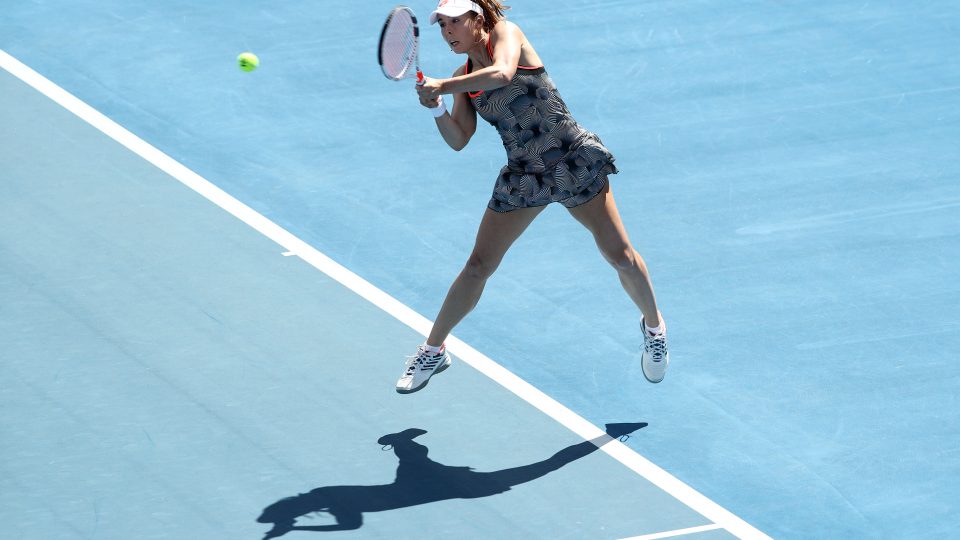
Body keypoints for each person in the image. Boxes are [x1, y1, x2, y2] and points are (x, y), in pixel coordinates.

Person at [395, 0, 669, 394]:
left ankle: (654, 328)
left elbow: (502, 73)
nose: (448, 31)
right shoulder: (462, 77)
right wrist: (436, 105)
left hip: (571, 160)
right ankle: (433, 350)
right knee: (478, 266)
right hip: (525, 175)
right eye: (442, 26)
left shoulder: (508, 34)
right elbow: (459, 139)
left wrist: (443, 85)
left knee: (620, 256)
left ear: (478, 19)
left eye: (456, 21)